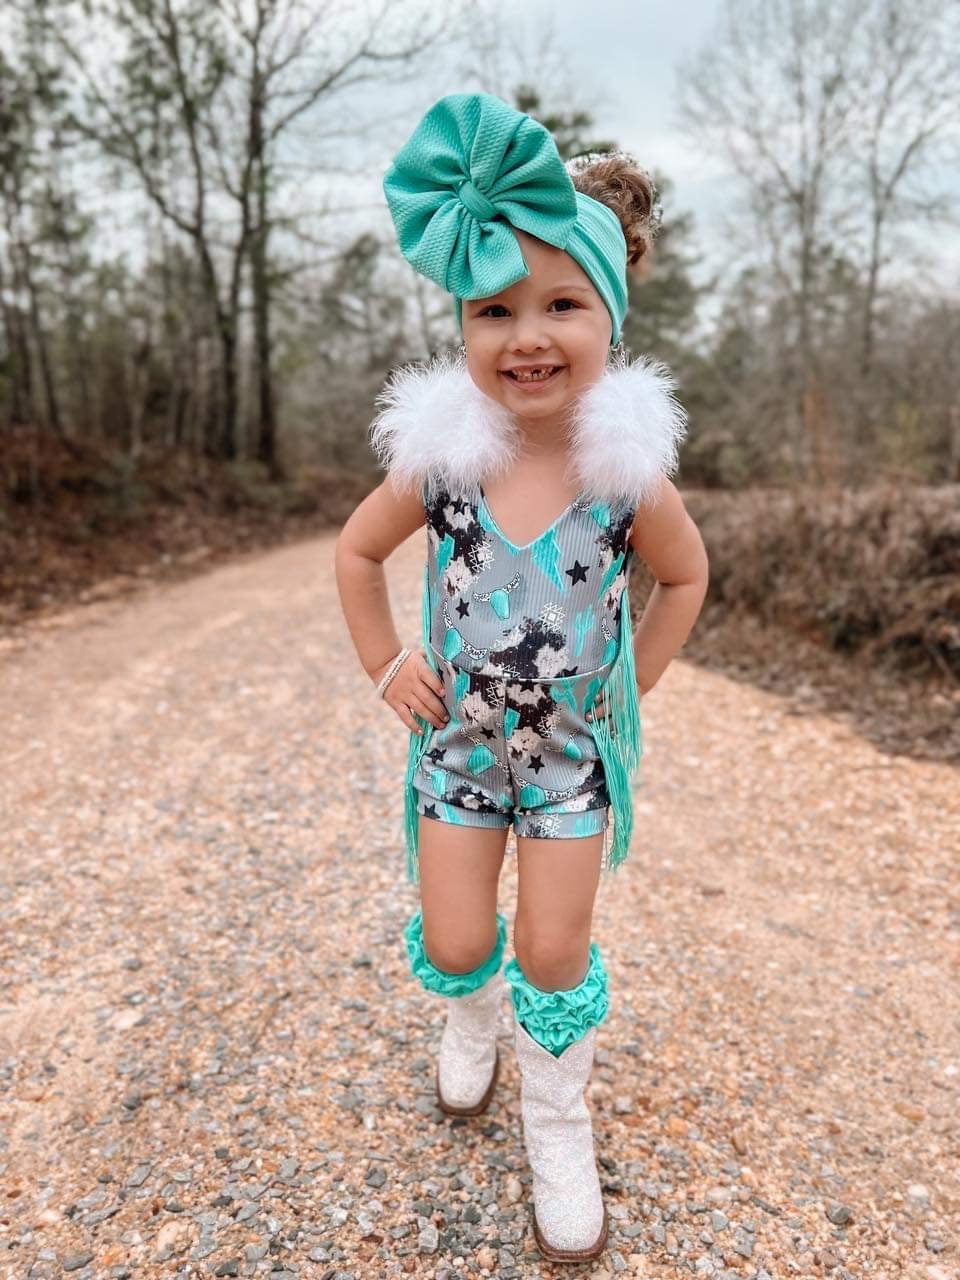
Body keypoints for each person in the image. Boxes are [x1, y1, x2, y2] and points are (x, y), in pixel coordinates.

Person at [335, 91, 709, 1265]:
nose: (526, 334)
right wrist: (386, 659)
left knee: (553, 946)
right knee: (459, 939)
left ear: (609, 315)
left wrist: (628, 691)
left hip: (568, 770)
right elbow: (355, 551)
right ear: (462, 324)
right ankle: (468, 1016)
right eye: (493, 309)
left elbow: (686, 577)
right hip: (456, 755)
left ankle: (557, 1118)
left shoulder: (624, 478)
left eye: (560, 304)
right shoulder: (445, 464)